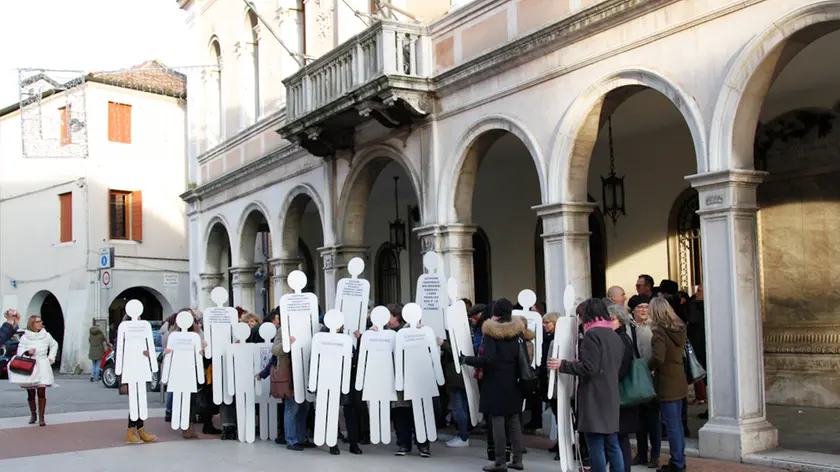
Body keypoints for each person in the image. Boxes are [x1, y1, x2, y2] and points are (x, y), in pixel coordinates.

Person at [547, 299, 624, 472]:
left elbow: (590, 367)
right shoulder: (614, 334)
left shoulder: (592, 335)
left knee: (595, 444)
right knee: (612, 443)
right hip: (611, 393)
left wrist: (564, 364)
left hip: (594, 395)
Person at [462, 298, 531, 472]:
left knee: (498, 420)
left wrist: (466, 359)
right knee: (514, 420)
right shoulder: (518, 332)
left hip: (495, 382)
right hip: (514, 381)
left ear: (495, 312)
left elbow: (487, 359)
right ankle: (517, 459)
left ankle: (500, 461)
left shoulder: (492, 333)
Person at [648, 297, 688, 472]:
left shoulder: (659, 331)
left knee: (672, 425)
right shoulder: (679, 327)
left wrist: (647, 367)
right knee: (677, 424)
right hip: (679, 377)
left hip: (666, 380)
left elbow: (658, 357)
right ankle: (679, 459)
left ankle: (677, 463)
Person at [607, 302, 641, 472]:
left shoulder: (621, 340)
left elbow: (621, 368)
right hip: (620, 393)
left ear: (619, 321)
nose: (608, 323)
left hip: (622, 394)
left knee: (620, 436)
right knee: (620, 437)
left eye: (611, 319)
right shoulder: (621, 338)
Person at [628, 295, 658, 467]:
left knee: (653, 418)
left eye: (646, 307)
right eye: (640, 307)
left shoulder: (654, 326)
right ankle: (641, 453)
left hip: (651, 376)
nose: (644, 310)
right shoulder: (627, 327)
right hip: (634, 377)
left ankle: (654, 454)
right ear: (633, 309)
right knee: (638, 419)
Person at [13, 315, 59, 426]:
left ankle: (42, 417)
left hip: (42, 363)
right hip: (30, 364)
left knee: (42, 390)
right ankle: (33, 414)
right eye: (37, 322)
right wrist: (28, 352)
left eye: (40, 321)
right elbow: (20, 350)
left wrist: (51, 357)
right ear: (32, 324)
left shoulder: (46, 335)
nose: (40, 323)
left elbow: (54, 344)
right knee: (31, 392)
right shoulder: (25, 337)